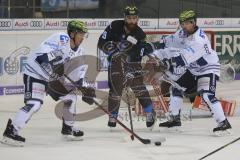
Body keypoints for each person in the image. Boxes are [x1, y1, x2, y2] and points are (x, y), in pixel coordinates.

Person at [2, 20, 95, 146]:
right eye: (80, 34)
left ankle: (68, 128)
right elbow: (42, 58)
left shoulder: (80, 52)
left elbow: (78, 76)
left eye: (84, 34)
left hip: (52, 79)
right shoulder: (61, 39)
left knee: (71, 97)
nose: (83, 37)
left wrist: (85, 89)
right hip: (35, 74)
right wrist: (53, 66)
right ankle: (11, 130)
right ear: (72, 34)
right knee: (34, 103)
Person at [149, 10, 232, 135]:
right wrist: (148, 47)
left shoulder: (200, 40)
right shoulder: (182, 33)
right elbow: (166, 42)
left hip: (207, 69)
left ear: (194, 23)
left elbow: (182, 59)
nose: (184, 26)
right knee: (176, 86)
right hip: (193, 69)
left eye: (187, 23)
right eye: (182, 23)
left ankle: (223, 123)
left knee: (207, 95)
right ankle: (174, 119)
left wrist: (165, 62)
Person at [97, 6, 162, 129]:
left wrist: (129, 62)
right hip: (115, 61)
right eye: (129, 18)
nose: (132, 21)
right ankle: (113, 116)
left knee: (138, 87)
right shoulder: (114, 26)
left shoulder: (140, 34)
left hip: (132, 63)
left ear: (137, 18)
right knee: (115, 89)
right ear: (125, 17)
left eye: (134, 18)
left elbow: (140, 52)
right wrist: (113, 52)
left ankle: (149, 112)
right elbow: (101, 42)